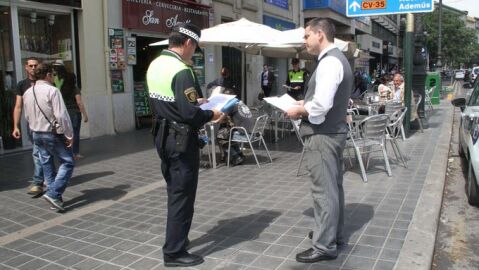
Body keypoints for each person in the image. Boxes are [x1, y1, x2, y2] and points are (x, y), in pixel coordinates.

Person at [146, 22, 222, 267]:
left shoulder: (155, 64)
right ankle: (174, 252)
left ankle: (178, 239)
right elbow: (191, 115)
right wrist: (213, 114)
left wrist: (196, 100)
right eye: (196, 47)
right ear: (188, 42)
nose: (195, 52)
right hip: (181, 139)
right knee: (182, 194)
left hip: (162, 136)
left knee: (174, 190)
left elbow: (171, 101)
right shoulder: (182, 70)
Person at [286, 17, 353, 263]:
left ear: (319, 35)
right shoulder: (336, 60)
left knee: (323, 191)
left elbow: (321, 106)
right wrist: (306, 103)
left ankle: (324, 246)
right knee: (333, 188)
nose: (304, 41)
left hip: (323, 135)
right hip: (332, 132)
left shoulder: (329, 62)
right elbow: (326, 100)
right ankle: (333, 234)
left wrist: (299, 110)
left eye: (306, 36)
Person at [22, 63, 74, 212]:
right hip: (51, 133)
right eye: (53, 74)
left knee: (46, 163)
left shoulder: (28, 92)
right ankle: (53, 193)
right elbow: (61, 115)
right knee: (68, 162)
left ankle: (55, 198)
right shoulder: (52, 90)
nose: (54, 77)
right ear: (48, 75)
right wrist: (69, 134)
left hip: (36, 133)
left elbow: (26, 116)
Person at [11, 57, 44, 196]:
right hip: (32, 125)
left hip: (46, 124)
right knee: (40, 153)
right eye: (30, 65)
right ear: (26, 67)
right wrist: (16, 126)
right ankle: (44, 179)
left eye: (35, 65)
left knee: (38, 153)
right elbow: (18, 107)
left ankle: (38, 182)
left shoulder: (44, 82)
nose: (33, 68)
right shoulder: (22, 85)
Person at [52, 60, 88, 160]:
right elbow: (79, 102)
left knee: (64, 133)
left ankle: (65, 152)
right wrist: (85, 114)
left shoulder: (56, 86)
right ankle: (75, 153)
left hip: (62, 112)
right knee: (75, 133)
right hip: (74, 112)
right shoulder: (74, 88)